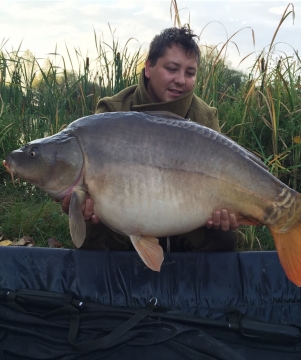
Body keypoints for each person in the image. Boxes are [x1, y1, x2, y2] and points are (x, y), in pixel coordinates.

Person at [62, 26, 239, 252]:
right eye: (172, 69)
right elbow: (83, 177)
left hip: (186, 220)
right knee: (94, 222)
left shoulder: (204, 117)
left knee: (225, 236)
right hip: (125, 221)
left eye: (190, 73)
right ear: (148, 68)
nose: (181, 80)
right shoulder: (113, 111)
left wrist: (226, 217)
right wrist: (75, 202)